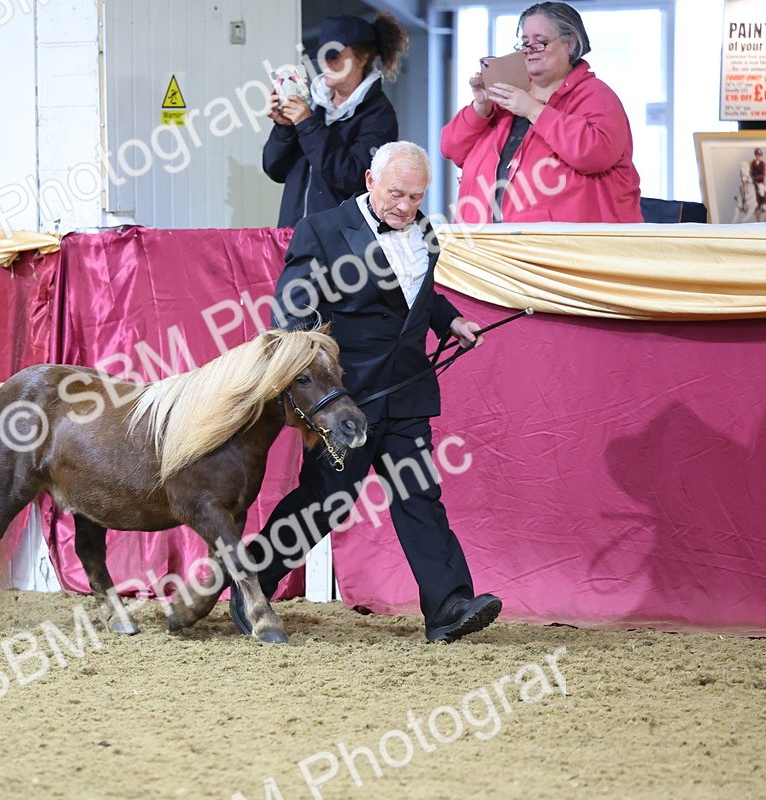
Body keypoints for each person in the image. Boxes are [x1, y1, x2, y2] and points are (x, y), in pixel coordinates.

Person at [229, 141, 502, 644]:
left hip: (408, 393)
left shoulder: (422, 230)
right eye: (396, 194)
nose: (405, 207)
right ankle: (252, 586)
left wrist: (449, 320)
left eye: (416, 197)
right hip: (346, 403)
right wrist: (311, 383)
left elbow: (415, 291)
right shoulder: (323, 229)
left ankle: (448, 606)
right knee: (326, 502)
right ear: (370, 181)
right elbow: (291, 312)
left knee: (419, 496)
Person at [440, 2, 642, 224]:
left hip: (563, 249)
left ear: (570, 44)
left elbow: (594, 154)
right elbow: (451, 148)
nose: (529, 50)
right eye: (525, 43)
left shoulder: (596, 96)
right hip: (486, 245)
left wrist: (534, 110)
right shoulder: (506, 96)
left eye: (540, 42)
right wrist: (480, 107)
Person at [263, 13, 408, 228]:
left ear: (361, 58)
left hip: (341, 244)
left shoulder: (379, 115)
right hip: (293, 236)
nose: (326, 64)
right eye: (323, 56)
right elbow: (275, 169)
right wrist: (284, 128)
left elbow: (353, 177)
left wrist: (307, 124)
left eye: (335, 57)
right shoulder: (313, 104)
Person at [751, 149, 766, 222]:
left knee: (761, 191)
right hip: (752, 180)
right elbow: (750, 170)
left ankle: (763, 204)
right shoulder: (753, 162)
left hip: (760, 181)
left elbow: (764, 174)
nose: (759, 156)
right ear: (755, 155)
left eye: (760, 155)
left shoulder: (763, 163)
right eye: (757, 155)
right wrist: (751, 176)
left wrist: (757, 177)